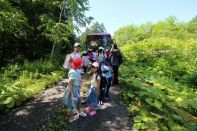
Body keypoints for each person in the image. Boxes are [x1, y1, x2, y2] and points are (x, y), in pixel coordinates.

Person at [63, 58, 87, 122]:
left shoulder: (76, 70)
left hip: (77, 88)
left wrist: (80, 81)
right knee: (71, 103)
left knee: (79, 100)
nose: (80, 66)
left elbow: (78, 77)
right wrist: (72, 94)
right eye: (79, 65)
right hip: (73, 89)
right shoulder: (72, 72)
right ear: (76, 65)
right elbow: (70, 84)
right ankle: (71, 117)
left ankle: (79, 112)